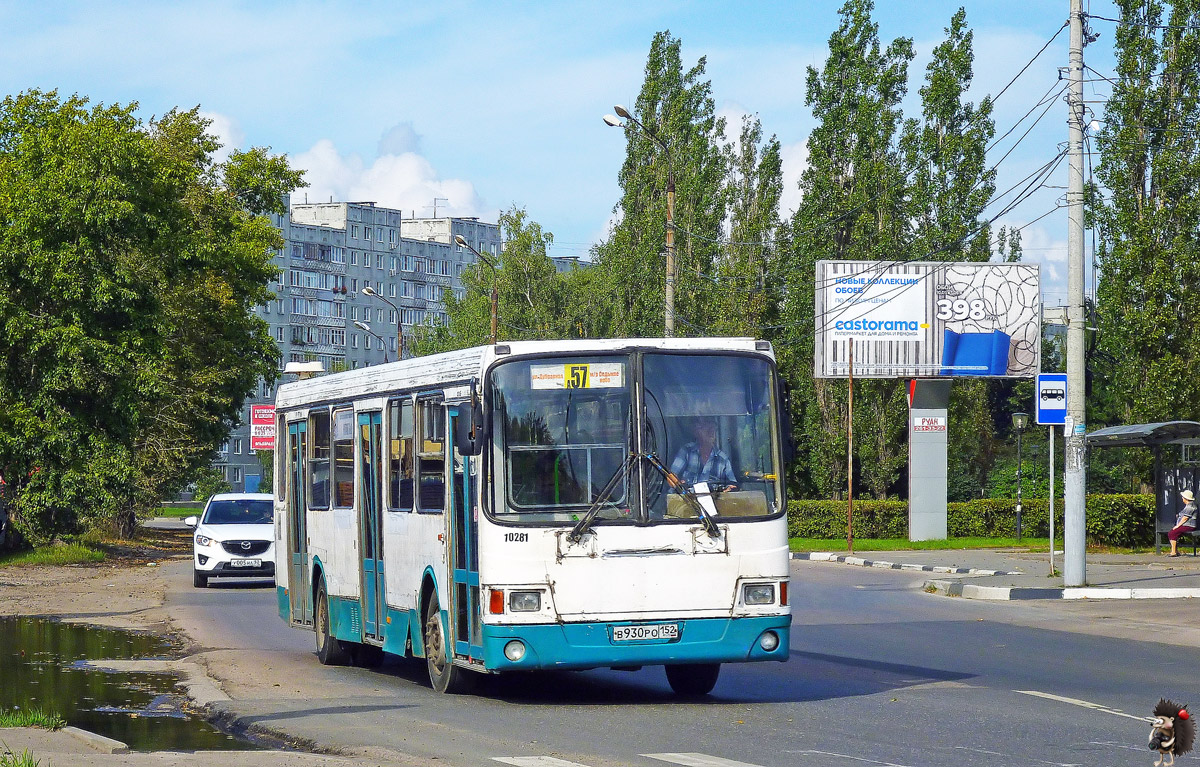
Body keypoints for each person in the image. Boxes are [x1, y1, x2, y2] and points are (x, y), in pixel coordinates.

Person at [668, 417, 738, 491]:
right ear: (696, 432)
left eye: (713, 429)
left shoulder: (723, 460)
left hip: (714, 502)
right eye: (707, 429)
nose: (711, 432)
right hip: (685, 501)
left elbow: (732, 485)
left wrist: (729, 489)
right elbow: (671, 477)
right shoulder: (686, 451)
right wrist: (678, 483)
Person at [1168, 489, 1197, 557]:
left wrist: (1177, 526)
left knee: (1172, 533)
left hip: (1189, 525)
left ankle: (1173, 552)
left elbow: (1185, 518)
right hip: (1186, 525)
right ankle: (1175, 551)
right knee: (1174, 533)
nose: (1182, 498)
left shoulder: (1190, 507)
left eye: (1183, 497)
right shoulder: (1188, 506)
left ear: (1186, 498)